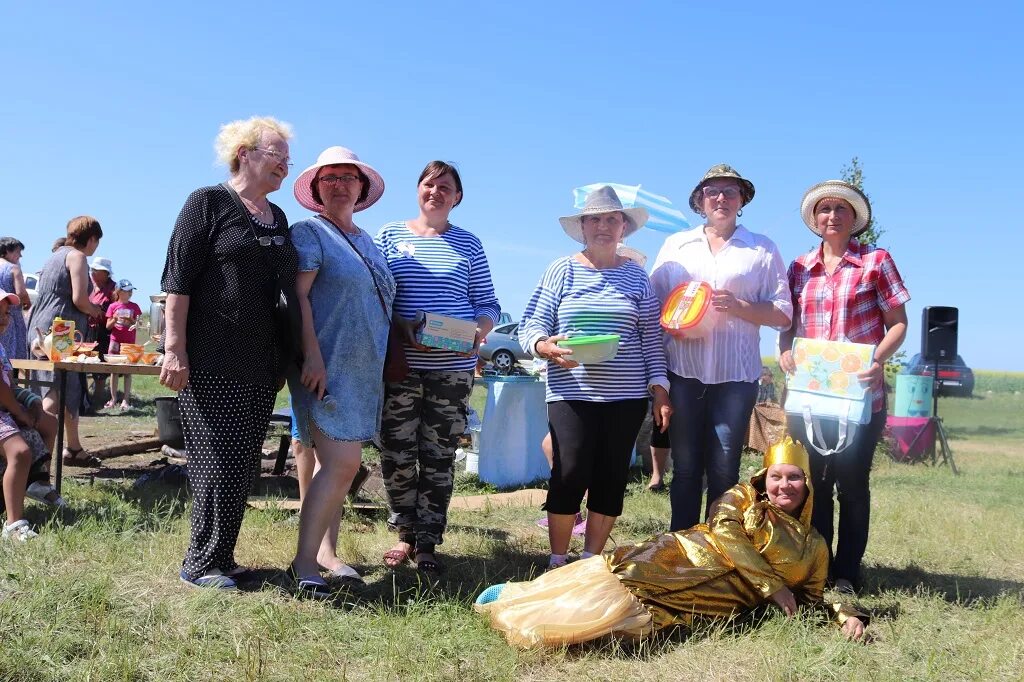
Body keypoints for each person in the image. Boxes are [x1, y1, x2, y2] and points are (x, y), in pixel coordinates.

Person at [475, 437, 868, 647]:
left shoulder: (814, 546)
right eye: (776, 476)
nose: (784, 485)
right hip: (679, 557)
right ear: (763, 479)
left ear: (808, 484)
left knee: (625, 624)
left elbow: (815, 597)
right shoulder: (743, 497)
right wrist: (773, 587)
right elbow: (725, 531)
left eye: (794, 477)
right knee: (616, 577)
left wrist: (846, 616)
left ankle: (534, 615)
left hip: (706, 603)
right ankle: (516, 593)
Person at [159, 116, 298, 590]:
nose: (284, 166)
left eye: (287, 159)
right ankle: (199, 564)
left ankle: (222, 556)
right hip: (210, 356)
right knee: (215, 461)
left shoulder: (277, 217)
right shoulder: (207, 202)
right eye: (276, 156)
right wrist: (174, 349)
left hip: (261, 361)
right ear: (244, 153)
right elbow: (178, 282)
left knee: (241, 462)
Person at [519, 186, 671, 569]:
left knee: (611, 476)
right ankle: (557, 560)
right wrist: (543, 346)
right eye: (595, 219)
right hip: (570, 391)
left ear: (623, 228)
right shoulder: (562, 269)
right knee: (569, 472)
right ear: (583, 227)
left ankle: (590, 562)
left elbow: (651, 338)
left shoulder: (637, 277)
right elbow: (532, 323)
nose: (603, 226)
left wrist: (660, 388)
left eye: (612, 219)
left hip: (626, 397)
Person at [779, 180, 909, 594]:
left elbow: (898, 324)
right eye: (824, 209)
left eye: (840, 209)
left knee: (852, 485)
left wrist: (877, 360)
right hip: (811, 400)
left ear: (854, 218)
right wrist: (784, 353)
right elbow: (788, 326)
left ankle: (848, 573)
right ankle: (818, 569)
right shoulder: (798, 268)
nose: (832, 216)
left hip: (860, 396)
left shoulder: (876, 261)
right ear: (814, 219)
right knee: (813, 485)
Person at [650, 164, 792, 531]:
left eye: (731, 191)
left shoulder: (762, 249)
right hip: (683, 371)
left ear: (742, 200)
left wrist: (742, 307)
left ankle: (720, 546)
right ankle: (682, 545)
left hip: (736, 376)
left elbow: (783, 313)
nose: (721, 198)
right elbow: (653, 305)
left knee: (725, 467)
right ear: (700, 200)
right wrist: (675, 325)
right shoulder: (676, 245)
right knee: (685, 467)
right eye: (712, 191)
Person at [376, 161, 501, 574]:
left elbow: (488, 304)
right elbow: (375, 295)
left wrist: (477, 332)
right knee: (396, 452)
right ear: (417, 189)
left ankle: (428, 542)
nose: (436, 192)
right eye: (429, 184)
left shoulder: (469, 244)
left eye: (445, 187)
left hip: (453, 369)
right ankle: (404, 534)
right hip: (400, 366)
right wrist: (400, 324)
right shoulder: (389, 236)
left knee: (439, 455)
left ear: (457, 197)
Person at [286, 146, 393, 597]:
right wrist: (312, 355)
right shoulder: (309, 232)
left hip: (364, 369)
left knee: (336, 466)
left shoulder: (369, 242)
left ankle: (326, 554)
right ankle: (303, 564)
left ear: (362, 187)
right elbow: (298, 297)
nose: (340, 185)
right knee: (342, 464)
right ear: (316, 188)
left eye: (349, 177)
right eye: (329, 178)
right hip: (326, 365)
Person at [25, 216, 105, 467]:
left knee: (65, 386)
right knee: (53, 390)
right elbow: (80, 299)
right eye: (97, 241)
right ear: (91, 238)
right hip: (60, 330)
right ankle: (41, 462)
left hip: (41, 326)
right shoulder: (78, 257)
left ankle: (73, 448)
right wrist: (95, 310)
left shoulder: (55, 255)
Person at [105, 279, 142, 410]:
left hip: (129, 343)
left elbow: (139, 324)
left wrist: (131, 320)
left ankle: (126, 399)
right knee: (114, 371)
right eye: (127, 290)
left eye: (131, 290)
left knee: (127, 371)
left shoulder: (135, 306)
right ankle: (113, 398)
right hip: (115, 341)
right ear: (119, 292)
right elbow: (108, 326)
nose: (130, 293)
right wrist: (115, 318)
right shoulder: (112, 306)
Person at [86, 256, 116, 407]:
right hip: (88, 329)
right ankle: (86, 396)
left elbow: (117, 310)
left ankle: (98, 397)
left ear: (106, 273)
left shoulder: (113, 289)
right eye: (92, 269)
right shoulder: (89, 286)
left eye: (96, 270)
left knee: (101, 363)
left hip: (104, 331)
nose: (92, 272)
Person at [0, 238, 30, 360]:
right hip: (10, 318)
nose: (20, 256)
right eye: (18, 251)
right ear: (7, 251)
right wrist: (28, 303)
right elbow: (21, 293)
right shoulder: (13, 268)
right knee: (12, 358)